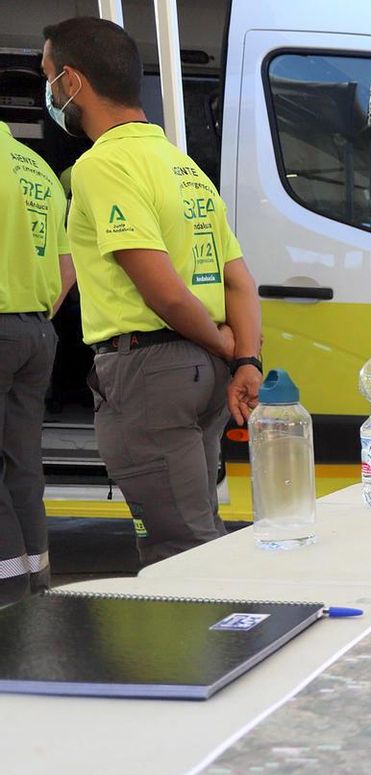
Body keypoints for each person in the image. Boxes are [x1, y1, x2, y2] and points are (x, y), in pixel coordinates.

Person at [43, 17, 263, 566]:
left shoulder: (104, 165)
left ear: (72, 81)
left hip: (150, 371)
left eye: (47, 77)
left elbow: (162, 291)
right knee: (199, 536)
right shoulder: (181, 165)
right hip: (199, 375)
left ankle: (200, 652)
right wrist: (245, 360)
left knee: (178, 553)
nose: (47, 92)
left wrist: (227, 348)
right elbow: (239, 280)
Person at [1, 121, 74, 600]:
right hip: (36, 331)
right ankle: (35, 585)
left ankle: (6, 590)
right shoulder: (38, 169)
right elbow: (67, 267)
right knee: (22, 465)